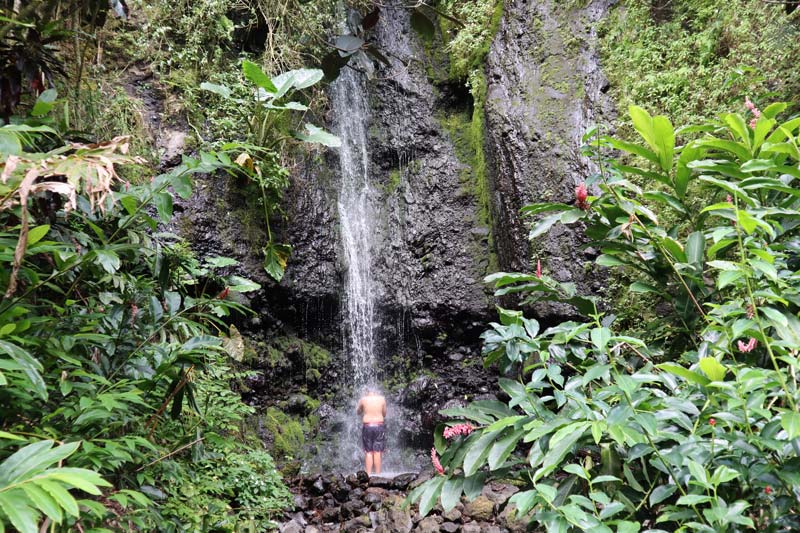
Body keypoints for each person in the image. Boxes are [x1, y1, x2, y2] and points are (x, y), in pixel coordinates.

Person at [356, 387, 386, 475]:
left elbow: (358, 412)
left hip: (368, 426)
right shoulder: (382, 399)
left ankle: (368, 475)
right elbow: (384, 413)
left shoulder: (363, 399)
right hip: (379, 425)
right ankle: (378, 475)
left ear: (367, 393)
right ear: (376, 392)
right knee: (377, 451)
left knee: (368, 452)